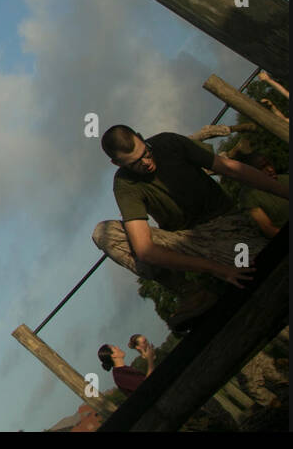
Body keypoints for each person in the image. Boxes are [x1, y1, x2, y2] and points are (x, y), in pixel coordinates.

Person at [92, 125, 289, 331]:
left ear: (141, 138)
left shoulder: (169, 143)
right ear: (117, 163)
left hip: (228, 228)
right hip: (186, 241)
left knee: (269, 271)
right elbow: (144, 250)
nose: (146, 163)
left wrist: (285, 193)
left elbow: (231, 169)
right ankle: (190, 292)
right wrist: (216, 269)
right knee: (104, 233)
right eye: (135, 163)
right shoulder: (125, 185)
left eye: (146, 153)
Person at [230, 151, 289, 239]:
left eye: (269, 164)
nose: (270, 170)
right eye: (262, 168)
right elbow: (269, 230)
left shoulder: (287, 179)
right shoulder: (248, 195)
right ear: (252, 172)